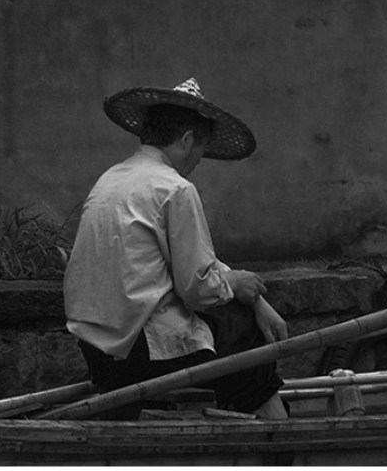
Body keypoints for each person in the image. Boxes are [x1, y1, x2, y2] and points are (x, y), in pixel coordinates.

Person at [64, 77, 289, 420]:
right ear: (186, 140)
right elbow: (197, 288)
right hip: (141, 354)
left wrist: (255, 297)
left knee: (231, 318)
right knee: (248, 337)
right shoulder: (176, 188)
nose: (198, 161)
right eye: (201, 150)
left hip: (97, 354)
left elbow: (192, 261)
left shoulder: (109, 180)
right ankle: (276, 432)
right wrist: (237, 288)